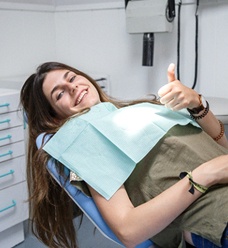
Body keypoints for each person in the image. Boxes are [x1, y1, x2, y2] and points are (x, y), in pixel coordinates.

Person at [20, 61, 228, 248]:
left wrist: (197, 104)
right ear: (55, 118)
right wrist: (206, 175)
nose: (72, 87)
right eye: (60, 94)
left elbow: (221, 148)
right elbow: (128, 230)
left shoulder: (134, 109)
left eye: (72, 77)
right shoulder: (84, 138)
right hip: (216, 213)